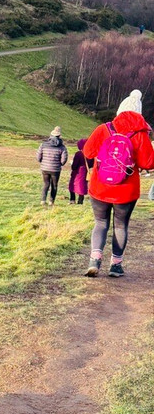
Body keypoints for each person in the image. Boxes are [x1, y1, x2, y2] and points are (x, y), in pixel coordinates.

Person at [82, 90, 154, 277]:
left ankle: (94, 261)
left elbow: (88, 151)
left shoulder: (104, 128)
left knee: (100, 223)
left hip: (100, 187)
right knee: (120, 226)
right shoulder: (140, 134)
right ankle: (115, 266)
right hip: (126, 191)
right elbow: (148, 163)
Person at [36, 127, 69, 206]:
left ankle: (43, 200)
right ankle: (51, 201)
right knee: (54, 185)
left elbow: (38, 156)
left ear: (51, 135)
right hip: (56, 169)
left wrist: (42, 162)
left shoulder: (43, 145)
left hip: (45, 168)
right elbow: (64, 159)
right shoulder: (62, 147)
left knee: (46, 184)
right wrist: (60, 164)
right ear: (59, 136)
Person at [69, 137, 89, 205]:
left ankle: (72, 199)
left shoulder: (79, 154)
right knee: (82, 186)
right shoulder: (89, 153)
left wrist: (72, 166)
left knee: (72, 185)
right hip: (85, 171)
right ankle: (80, 201)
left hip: (77, 171)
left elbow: (75, 165)